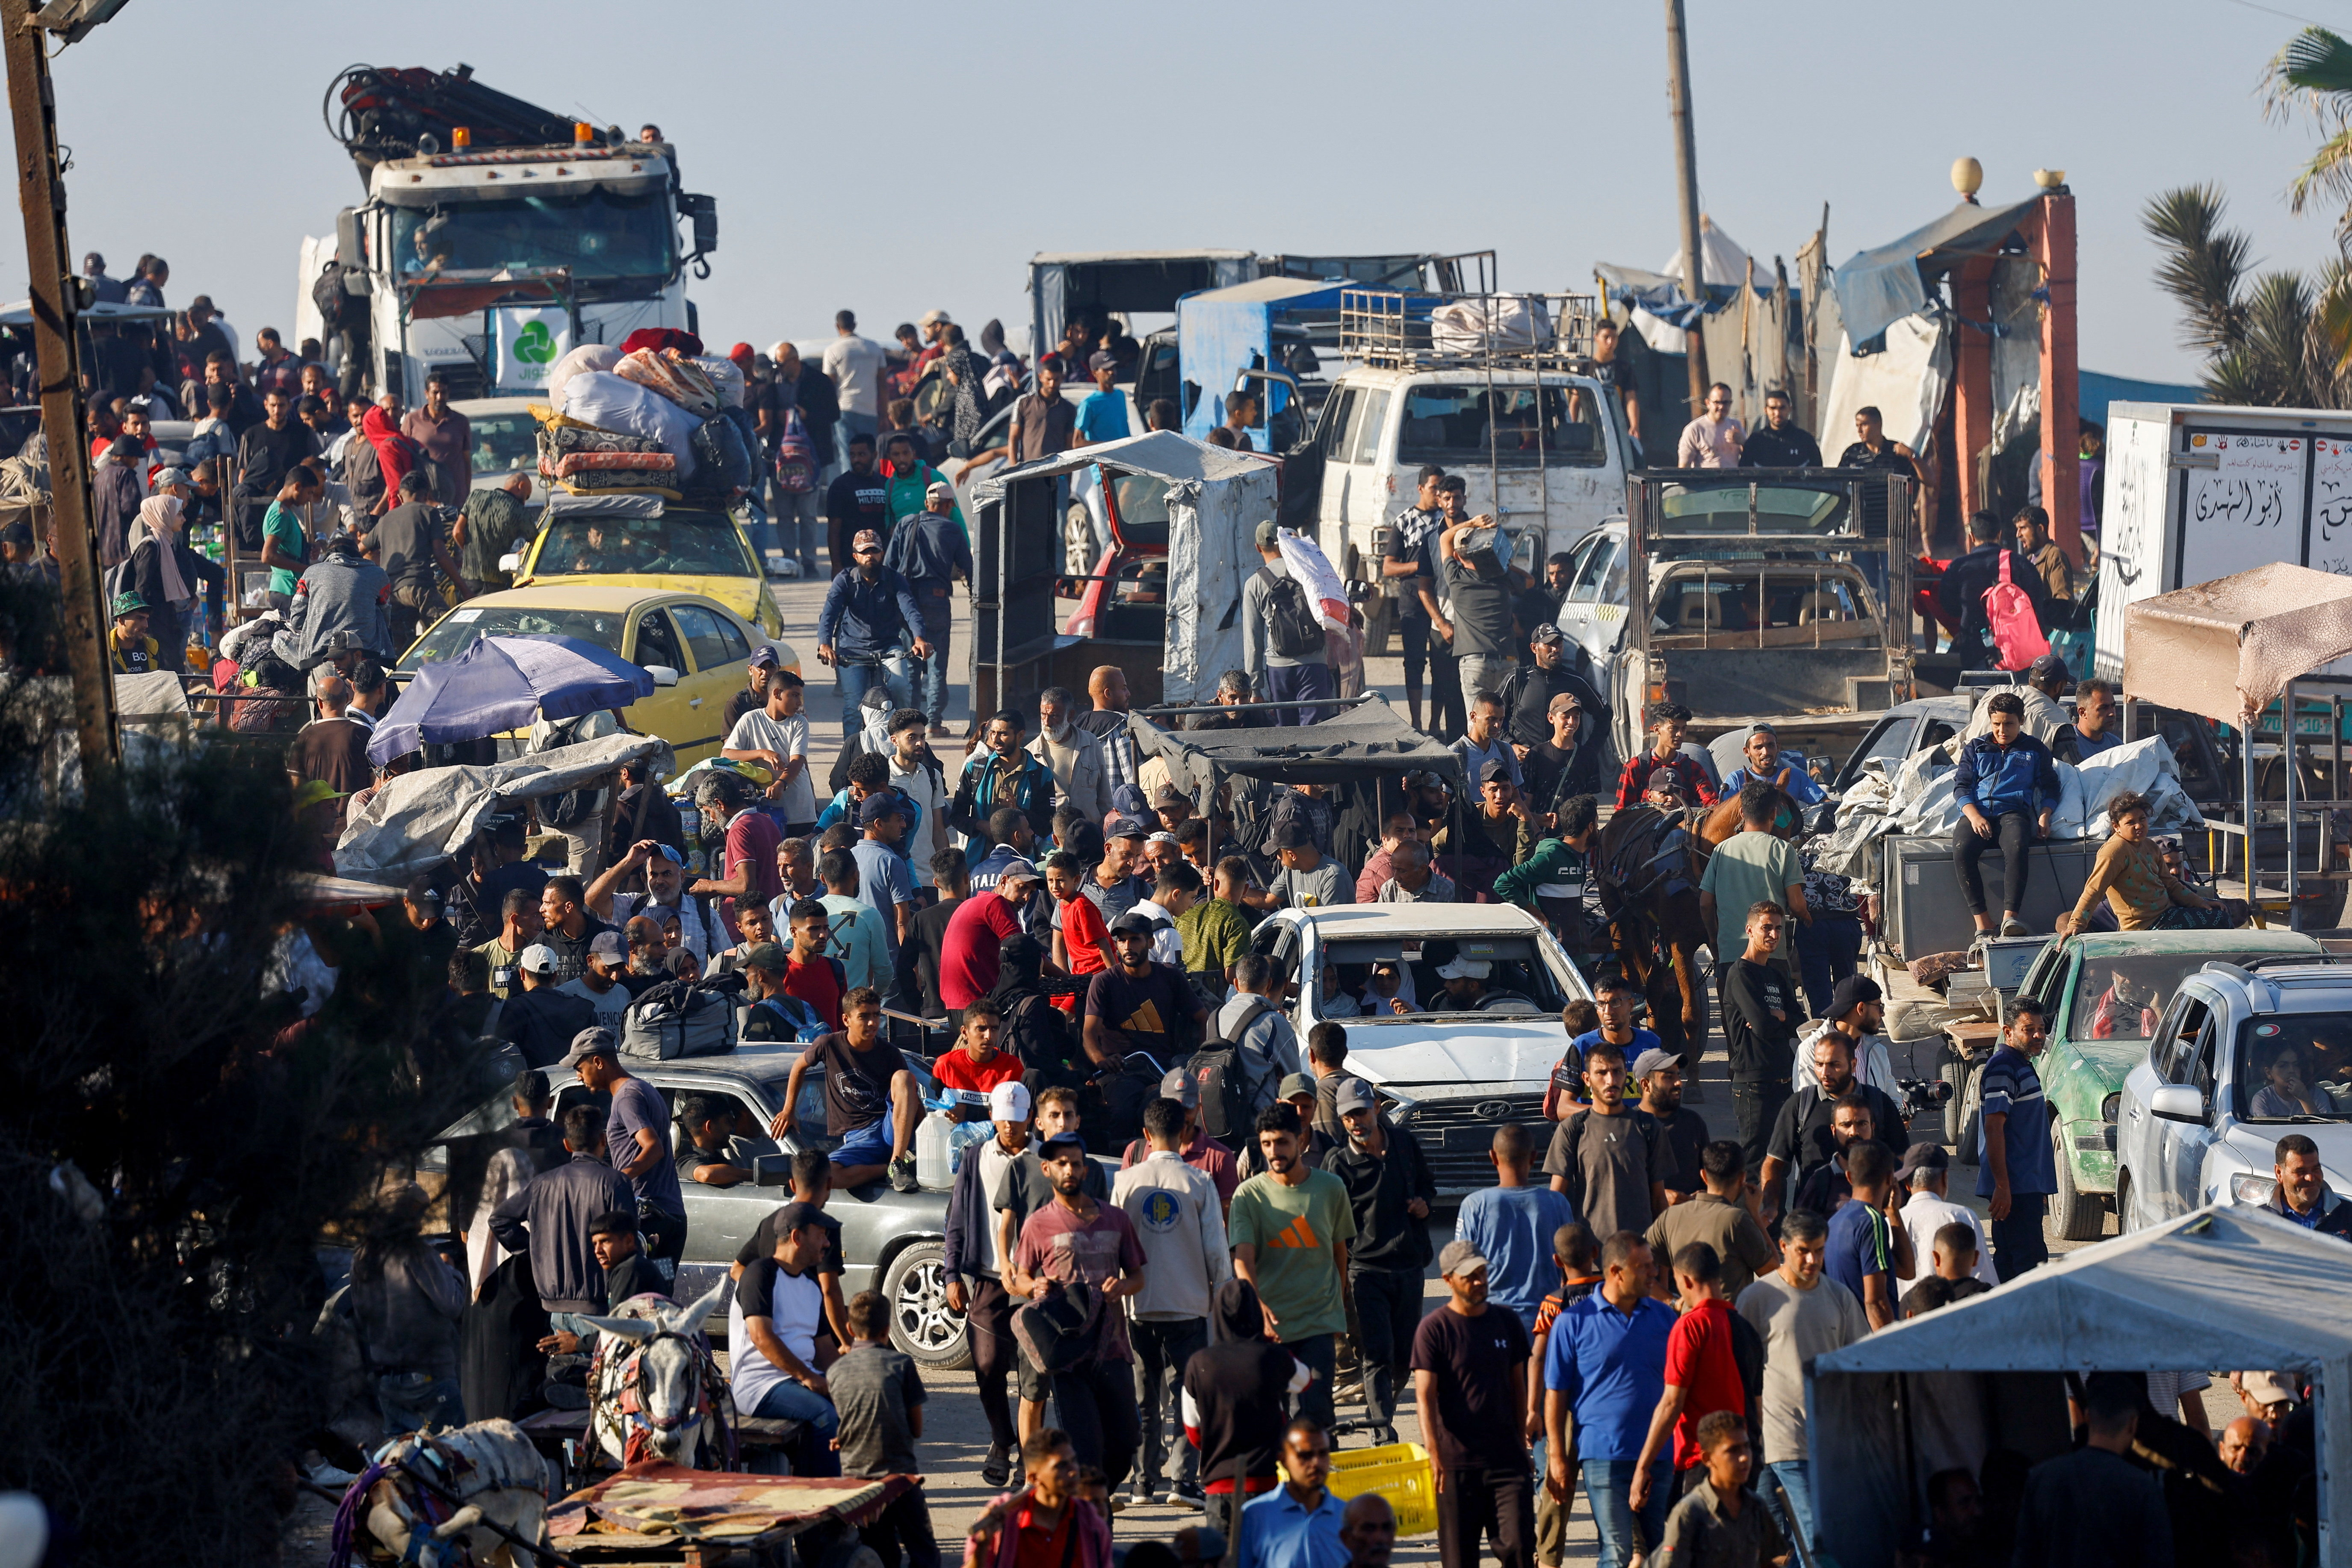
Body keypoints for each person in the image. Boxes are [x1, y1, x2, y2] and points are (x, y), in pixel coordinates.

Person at [1008, 1131, 1149, 1486]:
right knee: (1086, 1449)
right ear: (1047, 1169)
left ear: (1086, 1169)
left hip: (1114, 1349)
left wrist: (1122, 1286)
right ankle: (1095, 1517)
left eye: (1075, 1163)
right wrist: (1033, 1286)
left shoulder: (1116, 1220)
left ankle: (1099, 1497)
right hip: (1069, 1355)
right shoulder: (1038, 1223)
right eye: (1061, 1164)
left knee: (1126, 1439)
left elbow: (1137, 1277)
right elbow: (1019, 1278)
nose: (1069, 1169)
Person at [1111, 1096, 1232, 1508]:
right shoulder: (1199, 1183)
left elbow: (1113, 1245)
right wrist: (1222, 1298)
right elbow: (1217, 1251)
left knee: (1145, 1399)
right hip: (1189, 1306)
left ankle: (1143, 1482)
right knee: (1189, 1396)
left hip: (1139, 1307)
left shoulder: (1126, 1182)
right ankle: (1183, 1482)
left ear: (1145, 1136)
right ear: (1184, 1133)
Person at [1732, 1208, 1865, 1553]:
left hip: (1825, 1441)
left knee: (1785, 1548)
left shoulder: (1840, 1298)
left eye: (1820, 1250)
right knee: (1806, 1541)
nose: (1813, 1259)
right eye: (1804, 1250)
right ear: (1783, 1246)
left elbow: (1859, 1363)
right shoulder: (1757, 1298)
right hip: (1773, 1438)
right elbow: (1739, 1368)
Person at [1543, 1232, 1675, 1568]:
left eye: (1653, 1265)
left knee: (1659, 1553)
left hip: (1659, 1454)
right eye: (1643, 1267)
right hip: (1605, 1454)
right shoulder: (1573, 1322)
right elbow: (1555, 1394)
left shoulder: (1666, 1319)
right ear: (1616, 1271)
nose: (1654, 1274)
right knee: (1616, 1552)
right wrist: (1557, 1456)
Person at [1322, 1077, 1434, 1445]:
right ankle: (1382, 1432)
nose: (1356, 1121)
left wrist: (1423, 1204)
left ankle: (1375, 1414)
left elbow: (1428, 1186)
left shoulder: (1404, 1144)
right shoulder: (1337, 1163)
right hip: (1365, 1271)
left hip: (1410, 1266)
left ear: (1377, 1109)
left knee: (1404, 1356)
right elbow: (1331, 1226)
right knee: (1377, 1353)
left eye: (1361, 1112)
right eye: (1348, 1116)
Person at [1229, 1104, 1354, 1429]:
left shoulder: (1331, 1189)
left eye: (1282, 1142)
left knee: (1317, 1414)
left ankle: (1324, 1478)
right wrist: (1258, 1305)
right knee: (1274, 1419)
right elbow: (1242, 1257)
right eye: (1267, 1143)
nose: (1274, 1151)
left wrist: (1338, 1301)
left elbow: (1339, 1249)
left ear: (1301, 1140)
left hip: (1318, 1322)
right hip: (1272, 1326)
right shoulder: (1249, 1195)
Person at [1412, 1239, 1535, 1568]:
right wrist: (1434, 1453)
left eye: (1483, 1273)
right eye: (1471, 1276)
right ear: (1449, 1279)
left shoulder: (1506, 1321)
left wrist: (1523, 1443)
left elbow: (1518, 1384)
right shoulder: (1434, 1328)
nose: (1481, 1281)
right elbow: (1424, 1394)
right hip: (1455, 1465)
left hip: (1506, 1459)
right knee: (1459, 1560)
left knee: (1520, 1547)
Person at [944, 1080, 1035, 1485]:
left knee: (1034, 1375)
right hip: (989, 1278)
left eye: (1017, 1120)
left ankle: (1029, 1459)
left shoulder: (1045, 1159)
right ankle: (1002, 1439)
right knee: (986, 1365)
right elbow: (956, 1219)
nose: (1010, 1127)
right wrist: (951, 1274)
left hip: (1035, 1280)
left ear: (1029, 1118)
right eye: (1003, 1120)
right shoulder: (976, 1156)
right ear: (993, 1117)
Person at [1628, 1242, 1751, 1514]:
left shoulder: (1690, 1326)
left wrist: (1643, 1466)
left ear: (1684, 1280)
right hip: (1741, 1460)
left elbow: (1672, 1403)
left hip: (1699, 1462)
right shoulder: (1743, 1326)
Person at [1183, 1279, 1304, 1549]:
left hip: (1218, 1488)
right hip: (1265, 1483)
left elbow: (1194, 1432)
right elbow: (1304, 1380)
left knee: (1226, 1559)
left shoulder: (1199, 1364)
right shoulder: (1271, 1357)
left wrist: (1219, 1443)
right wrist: (1275, 1347)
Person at [488, 1103, 638, 1315]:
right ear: (603, 1140)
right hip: (601, 1308)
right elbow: (628, 1244)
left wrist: (534, 1250)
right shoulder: (615, 1183)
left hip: (552, 1308)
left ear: (567, 1145)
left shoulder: (542, 1184)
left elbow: (500, 1219)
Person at [559, 1029, 687, 1276]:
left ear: (598, 1062)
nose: (578, 1076)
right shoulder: (641, 1089)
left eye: (580, 1068)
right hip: (671, 1218)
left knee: (639, 1298)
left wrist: (617, 1180)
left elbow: (653, 1147)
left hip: (651, 1220)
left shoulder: (627, 1097)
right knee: (659, 1290)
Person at [2012, 1374, 2174, 1567]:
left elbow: (2024, 1557)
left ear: (2088, 1417)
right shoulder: (2144, 1488)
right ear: (2133, 1424)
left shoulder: (2041, 1478)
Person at [826, 1290, 937, 1568]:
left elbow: (851, 1416)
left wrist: (845, 1438)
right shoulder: (901, 1364)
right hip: (899, 1477)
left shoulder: (836, 1370)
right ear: (888, 1329)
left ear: (850, 1329)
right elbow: (917, 1428)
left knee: (881, 1551)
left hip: (858, 1479)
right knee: (924, 1552)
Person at [347, 1184, 468, 1435]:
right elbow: (453, 1304)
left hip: (388, 1380)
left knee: (401, 1464)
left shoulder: (362, 1255)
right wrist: (451, 1270)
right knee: (447, 1459)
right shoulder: (419, 1254)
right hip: (430, 1376)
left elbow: (361, 1315)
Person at [780, 986, 922, 1192]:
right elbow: (798, 1067)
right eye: (864, 1017)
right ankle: (890, 1168)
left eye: (876, 1015)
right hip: (859, 1137)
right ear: (846, 1020)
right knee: (827, 1177)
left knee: (904, 1077)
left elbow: (910, 1095)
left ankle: (898, 1161)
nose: (873, 1023)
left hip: (891, 1128)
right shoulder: (828, 1045)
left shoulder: (890, 1053)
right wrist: (789, 1110)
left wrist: (921, 1136)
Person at [728, 1200, 842, 1455]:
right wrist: (808, 1376)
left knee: (864, 1410)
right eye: (821, 1235)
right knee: (824, 1415)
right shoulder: (760, 1274)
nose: (827, 1243)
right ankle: (819, 1490)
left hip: (798, 1381)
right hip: (760, 1386)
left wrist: (853, 1383)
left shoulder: (811, 1285)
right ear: (797, 1237)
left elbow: (825, 1349)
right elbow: (761, 1336)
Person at [2059, 788, 2246, 934]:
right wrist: (2077, 923)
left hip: (2167, 914)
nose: (2139, 826)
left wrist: (2200, 902)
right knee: (2219, 920)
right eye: (2131, 823)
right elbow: (2094, 889)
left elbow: (2171, 884)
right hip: (2146, 925)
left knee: (2219, 913)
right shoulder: (2115, 851)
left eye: (2142, 819)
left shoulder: (2150, 846)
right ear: (2117, 827)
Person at [1952, 691, 2061, 938]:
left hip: (2013, 813)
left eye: (2009, 724)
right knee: (1961, 850)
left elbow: (2051, 785)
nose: (2002, 730)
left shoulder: (2034, 749)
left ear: (2022, 720)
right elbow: (1961, 786)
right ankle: (1983, 923)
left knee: (2018, 846)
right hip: (1978, 812)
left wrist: (2045, 814)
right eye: (1997, 724)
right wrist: (1973, 816)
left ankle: (2010, 919)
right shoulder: (1976, 747)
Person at [1543, 1039, 1674, 1240]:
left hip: (1640, 1257)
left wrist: (1663, 1259)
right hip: (1592, 1256)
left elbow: (1659, 1199)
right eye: (1602, 1073)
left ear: (1627, 1077)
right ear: (1587, 1079)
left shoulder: (1649, 1127)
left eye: (1618, 1072)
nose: (1611, 1080)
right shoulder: (1573, 1129)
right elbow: (1556, 1200)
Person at [1456, 1124, 1575, 1338]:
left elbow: (1461, 1269)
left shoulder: (1475, 1205)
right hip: (1546, 1321)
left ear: (1493, 1157)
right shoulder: (1557, 1203)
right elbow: (1571, 1266)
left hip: (1492, 1321)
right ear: (1534, 1158)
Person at [818, 529, 930, 736]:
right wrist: (825, 644)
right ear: (856, 556)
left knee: (901, 688)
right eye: (865, 552)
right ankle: (850, 759)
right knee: (854, 707)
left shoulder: (894, 579)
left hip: (888, 645)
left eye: (874, 551)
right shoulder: (844, 580)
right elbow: (829, 614)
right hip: (852, 651)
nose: (870, 556)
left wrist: (919, 638)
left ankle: (903, 741)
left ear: (882, 553)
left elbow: (910, 610)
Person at [1976, 998, 2056, 1281]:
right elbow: (1994, 1128)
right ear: (2008, 1032)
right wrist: (2002, 1186)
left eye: (2041, 1028)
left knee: (2013, 1261)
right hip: (2014, 1190)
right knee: (2028, 1265)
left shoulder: (2020, 1064)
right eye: (2028, 1029)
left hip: (2024, 1186)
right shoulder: (2003, 1068)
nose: (2037, 1035)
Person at [1646, 1139, 1777, 1299]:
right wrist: (1755, 1213)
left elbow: (1634, 1264)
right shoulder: (1736, 1220)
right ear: (1743, 1178)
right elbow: (1773, 1271)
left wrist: (1670, 1301)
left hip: (1686, 1319)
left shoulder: (1671, 1215)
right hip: (1728, 1319)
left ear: (1704, 1176)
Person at [1657, 1410, 1787, 1567]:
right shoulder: (1690, 1512)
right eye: (1733, 1451)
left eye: (1747, 1447)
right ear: (1708, 1459)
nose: (1744, 1457)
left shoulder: (1756, 1507)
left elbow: (1771, 1561)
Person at [1083, 909, 1208, 1072]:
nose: (1128, 947)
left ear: (1150, 943)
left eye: (1135, 940)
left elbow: (1204, 1018)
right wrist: (1101, 1061)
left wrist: (1202, 1060)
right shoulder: (1104, 981)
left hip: (1165, 1066)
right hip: (1121, 1068)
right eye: (1122, 940)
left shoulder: (1170, 976)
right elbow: (1089, 1033)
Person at [1936, 509, 2056, 673]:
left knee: (1979, 697)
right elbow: (2037, 607)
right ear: (1999, 535)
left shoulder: (1958, 567)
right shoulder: (2021, 564)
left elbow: (1949, 607)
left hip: (1974, 651)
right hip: (2018, 655)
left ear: (1972, 537)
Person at [1242, 520, 1336, 726]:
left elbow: (1253, 640)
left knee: (1286, 736)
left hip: (1278, 668)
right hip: (1314, 662)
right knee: (1317, 733)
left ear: (1258, 548)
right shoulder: (1309, 569)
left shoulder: (1254, 584)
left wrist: (1255, 689)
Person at [1823, 1140, 1911, 1329]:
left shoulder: (1835, 1222)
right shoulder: (1872, 1223)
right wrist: (1891, 1344)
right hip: (1868, 1338)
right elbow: (1876, 1302)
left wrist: (1893, 1212)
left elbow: (1906, 1271)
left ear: (1849, 1177)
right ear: (1890, 1178)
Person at [940, 858, 1045, 1014]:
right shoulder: (995, 902)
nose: (1027, 897)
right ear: (1004, 882)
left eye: (1031, 892)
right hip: (976, 1004)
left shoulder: (971, 902)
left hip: (953, 1003)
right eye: (1022, 888)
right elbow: (1025, 951)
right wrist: (1066, 977)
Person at [1237, 1420, 1347, 1568]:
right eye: (1305, 1456)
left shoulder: (1347, 1517)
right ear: (1284, 1461)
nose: (1316, 1463)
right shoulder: (1256, 1515)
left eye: (1323, 1454)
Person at [723, 666, 818, 834]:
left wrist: (781, 784)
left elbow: (797, 761)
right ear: (777, 694)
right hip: (767, 812)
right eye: (795, 696)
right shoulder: (750, 719)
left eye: (800, 697)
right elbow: (727, 755)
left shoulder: (799, 722)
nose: (799, 703)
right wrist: (762, 753)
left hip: (799, 811)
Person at [951, 712, 1058, 858]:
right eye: (993, 733)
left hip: (1022, 864)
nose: (996, 739)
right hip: (979, 862)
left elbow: (1047, 826)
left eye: (1003, 734)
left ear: (1020, 735)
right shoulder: (975, 769)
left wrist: (1019, 811)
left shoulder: (1040, 775)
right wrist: (982, 826)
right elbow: (956, 817)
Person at [1894, 1143, 1998, 1289]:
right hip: (1952, 1310)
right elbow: (1985, 1278)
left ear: (1906, 1183)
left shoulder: (1891, 1223)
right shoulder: (1962, 1216)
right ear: (1944, 1177)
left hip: (1904, 1309)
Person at [494, 945, 599, 1068]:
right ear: (555, 976)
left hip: (533, 1085)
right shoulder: (583, 1008)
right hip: (574, 1084)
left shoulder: (512, 1009)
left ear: (522, 973)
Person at [1615, 701, 1717, 809]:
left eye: (1684, 729)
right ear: (1657, 729)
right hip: (1647, 824)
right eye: (1674, 729)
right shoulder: (1635, 767)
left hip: (1683, 825)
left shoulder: (1692, 768)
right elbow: (1621, 814)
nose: (1680, 734)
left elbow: (1711, 802)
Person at [822, 311, 888, 471]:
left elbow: (828, 386)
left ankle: (850, 492)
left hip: (845, 410)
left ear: (837, 327)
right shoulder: (874, 348)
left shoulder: (833, 350)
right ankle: (873, 489)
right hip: (870, 411)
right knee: (870, 455)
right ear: (855, 325)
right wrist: (884, 414)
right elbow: (882, 383)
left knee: (848, 456)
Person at [2259, 1131, 2352, 1237]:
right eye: (2301, 1172)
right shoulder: (2257, 1221)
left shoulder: (2347, 1215)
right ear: (2279, 1173)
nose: (2310, 1178)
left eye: (2316, 1169)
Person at [401, 373, 472, 505]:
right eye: (435, 393)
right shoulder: (412, 420)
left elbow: (467, 461)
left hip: (455, 496)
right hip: (424, 496)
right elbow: (403, 457)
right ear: (426, 394)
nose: (440, 397)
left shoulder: (461, 421)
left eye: (444, 392)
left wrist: (466, 492)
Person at [1009, 359, 1078, 465]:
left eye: (1056, 379)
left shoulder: (1068, 409)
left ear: (1063, 378)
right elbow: (1013, 438)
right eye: (1049, 379)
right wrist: (1014, 469)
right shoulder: (1024, 403)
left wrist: (1067, 476)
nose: (1052, 384)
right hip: (1028, 470)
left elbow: (1069, 445)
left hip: (1056, 471)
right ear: (1041, 377)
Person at [1737, 387, 1820, 469]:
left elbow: (1818, 472)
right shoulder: (1755, 441)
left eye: (1782, 408)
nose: (1777, 413)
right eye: (1773, 408)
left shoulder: (1805, 440)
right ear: (1766, 410)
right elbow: (1744, 473)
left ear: (1790, 409)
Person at [1676, 382, 1745, 468]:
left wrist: (1743, 442)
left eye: (1726, 403)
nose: (1721, 407)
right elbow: (1684, 466)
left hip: (1734, 480)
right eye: (1717, 402)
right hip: (1707, 480)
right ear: (1708, 403)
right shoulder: (1695, 429)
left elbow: (1750, 458)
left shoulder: (1736, 425)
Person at [1073, 352, 1131, 446]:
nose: (1111, 372)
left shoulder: (1121, 395)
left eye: (1113, 368)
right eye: (1106, 369)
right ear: (1095, 373)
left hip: (1125, 457)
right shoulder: (1089, 404)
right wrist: (1106, 447)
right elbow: (1077, 442)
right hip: (1104, 459)